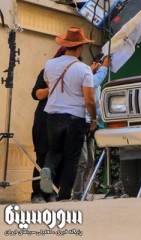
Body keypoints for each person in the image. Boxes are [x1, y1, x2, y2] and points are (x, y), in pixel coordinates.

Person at [39, 27, 98, 201]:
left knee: (54, 150)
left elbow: (50, 85)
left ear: (65, 45)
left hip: (53, 115)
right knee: (72, 157)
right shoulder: (84, 69)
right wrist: (93, 119)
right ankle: (64, 195)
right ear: (80, 47)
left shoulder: (49, 64)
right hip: (75, 117)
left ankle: (49, 168)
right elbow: (89, 100)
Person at [29, 47, 65, 203]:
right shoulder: (46, 72)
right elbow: (35, 94)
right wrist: (52, 88)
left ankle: (51, 192)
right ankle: (37, 193)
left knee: (59, 157)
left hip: (64, 119)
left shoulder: (75, 75)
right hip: (44, 120)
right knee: (43, 155)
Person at [71, 56, 109, 200]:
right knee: (82, 160)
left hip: (91, 123)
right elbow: (94, 82)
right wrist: (104, 67)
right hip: (81, 120)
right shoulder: (86, 77)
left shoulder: (90, 76)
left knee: (90, 160)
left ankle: (82, 191)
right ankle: (77, 193)